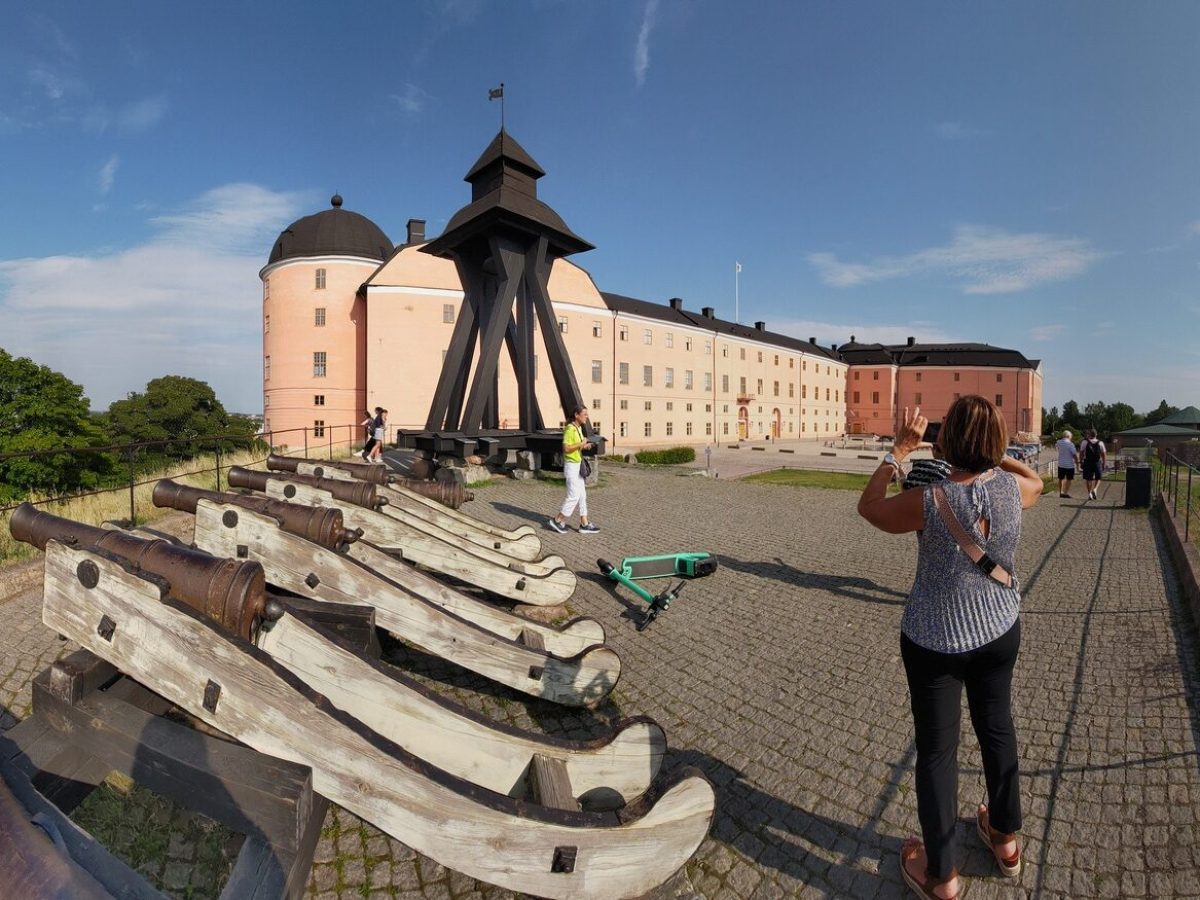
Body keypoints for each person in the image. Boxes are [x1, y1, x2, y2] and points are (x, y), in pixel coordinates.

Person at [858, 398, 1042, 900]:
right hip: (999, 627)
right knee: (997, 728)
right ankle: (1006, 839)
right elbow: (1039, 482)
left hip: (934, 639)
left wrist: (896, 452)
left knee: (937, 753)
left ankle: (943, 875)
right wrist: (996, 454)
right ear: (995, 443)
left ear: (945, 441)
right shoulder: (1012, 489)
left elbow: (869, 507)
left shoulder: (929, 498)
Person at [548, 405, 598, 534]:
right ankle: (558, 520)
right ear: (576, 415)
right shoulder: (570, 429)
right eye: (584, 414)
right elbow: (566, 448)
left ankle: (584, 523)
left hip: (577, 464)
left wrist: (586, 446)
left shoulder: (579, 428)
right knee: (574, 496)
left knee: (582, 495)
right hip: (571, 466)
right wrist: (581, 444)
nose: (586, 416)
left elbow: (576, 447)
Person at [1078, 429, 1107, 500]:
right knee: (1098, 477)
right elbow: (1104, 454)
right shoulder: (1100, 443)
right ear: (1096, 435)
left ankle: (1089, 494)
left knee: (1088, 479)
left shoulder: (1084, 442)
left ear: (1089, 435)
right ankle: (1095, 489)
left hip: (1087, 462)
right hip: (1097, 462)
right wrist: (1104, 463)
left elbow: (1081, 453)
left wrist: (1081, 461)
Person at [1054, 429, 1077, 498]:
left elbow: (1057, 446)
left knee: (1061, 478)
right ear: (1069, 436)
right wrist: (1077, 462)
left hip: (1061, 463)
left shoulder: (1058, 442)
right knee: (1069, 479)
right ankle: (1065, 492)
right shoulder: (1070, 444)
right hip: (1069, 465)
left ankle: (1061, 492)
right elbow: (1074, 454)